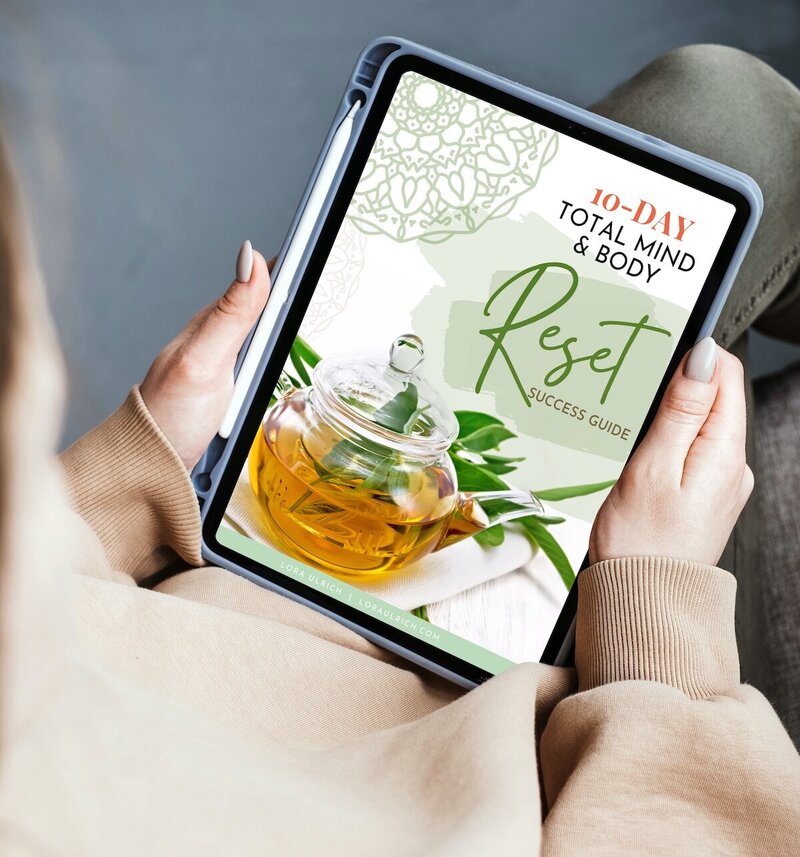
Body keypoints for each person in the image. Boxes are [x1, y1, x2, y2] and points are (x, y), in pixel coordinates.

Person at [2, 44, 800, 856]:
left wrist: (143, 460)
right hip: (522, 701)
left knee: (712, 111)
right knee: (734, 122)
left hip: (236, 566)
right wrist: (656, 611)